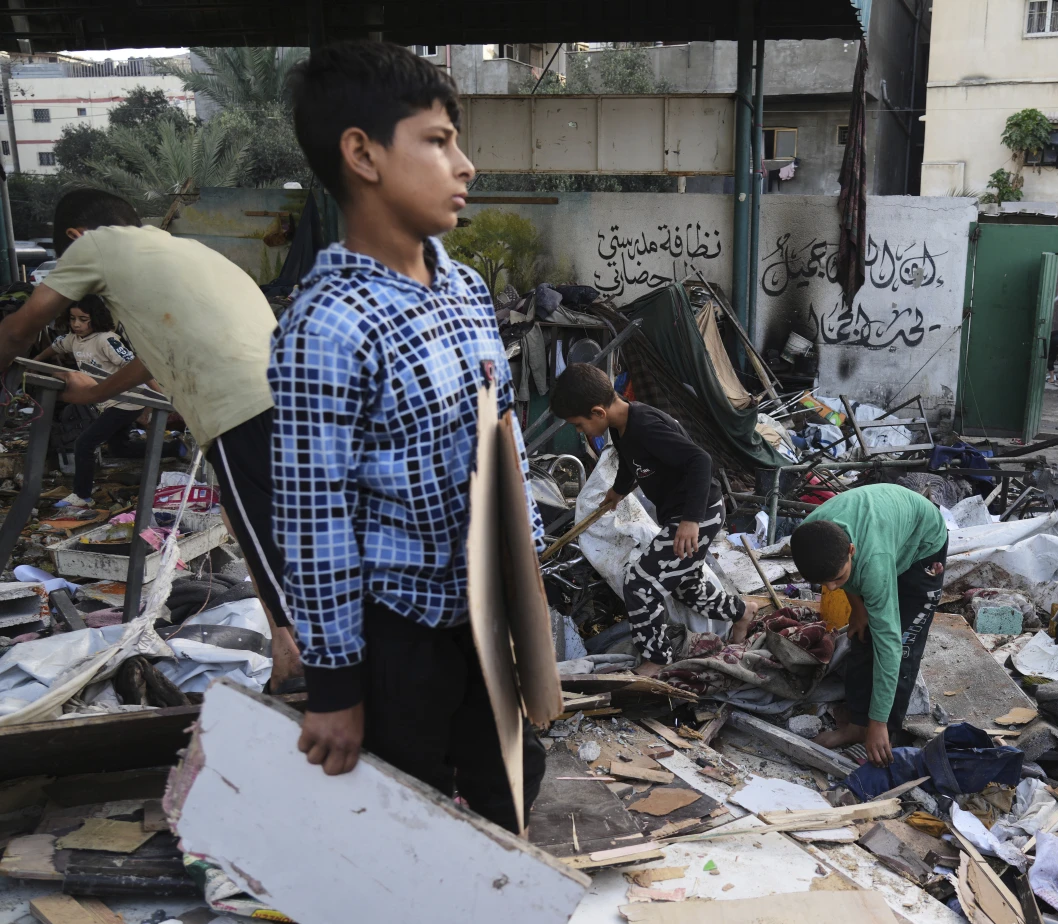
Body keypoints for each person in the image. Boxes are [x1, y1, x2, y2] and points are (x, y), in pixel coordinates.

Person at [275, 40, 548, 832]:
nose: (465, 165)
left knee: (513, 786)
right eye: (437, 141)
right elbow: (314, 518)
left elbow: (503, 438)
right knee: (402, 821)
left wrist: (526, 579)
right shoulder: (325, 327)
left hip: (484, 614)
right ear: (362, 155)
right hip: (398, 630)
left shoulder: (465, 288)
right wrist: (335, 687)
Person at [0, 189, 304, 691]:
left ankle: (311, 665)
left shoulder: (94, 245)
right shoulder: (181, 254)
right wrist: (94, 391)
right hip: (294, 395)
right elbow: (150, 356)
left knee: (268, 541)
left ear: (75, 237)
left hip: (245, 404)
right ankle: (290, 656)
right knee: (250, 523)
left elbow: (19, 329)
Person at [552, 362, 760, 676]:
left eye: (579, 425)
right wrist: (618, 491)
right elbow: (630, 461)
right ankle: (742, 611)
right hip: (685, 514)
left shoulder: (646, 426)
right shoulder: (621, 427)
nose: (580, 431)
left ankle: (658, 657)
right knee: (686, 586)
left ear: (598, 412)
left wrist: (690, 520)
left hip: (698, 514)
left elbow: (700, 461)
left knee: (639, 583)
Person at [789, 484, 948, 766]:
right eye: (823, 582)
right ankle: (857, 725)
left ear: (851, 551)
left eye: (838, 579)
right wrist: (858, 608)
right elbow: (840, 577)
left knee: (903, 642)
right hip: (882, 536)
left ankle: (885, 737)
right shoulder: (811, 537)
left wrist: (879, 722)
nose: (831, 588)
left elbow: (890, 646)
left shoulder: (873, 563)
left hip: (921, 543)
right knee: (861, 633)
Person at [38, 296, 157, 508]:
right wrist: (34, 362)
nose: (76, 324)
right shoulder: (73, 339)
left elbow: (138, 369)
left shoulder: (106, 340)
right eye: (73, 318)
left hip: (127, 402)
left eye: (83, 319)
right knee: (119, 448)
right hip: (108, 402)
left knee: (84, 443)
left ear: (96, 318)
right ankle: (175, 449)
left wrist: (160, 395)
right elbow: (55, 347)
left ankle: (82, 495)